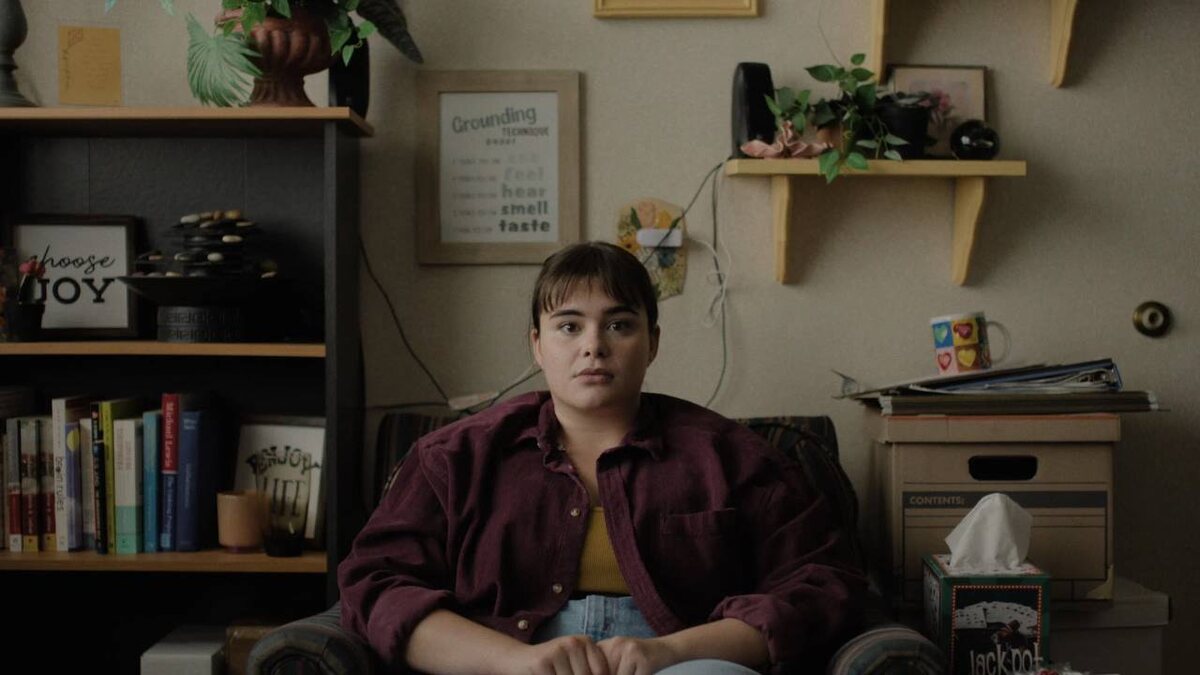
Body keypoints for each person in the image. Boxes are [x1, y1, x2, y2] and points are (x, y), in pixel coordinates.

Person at [339, 241, 866, 674]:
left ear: (652, 342)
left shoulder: (735, 457)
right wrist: (513, 662)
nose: (594, 345)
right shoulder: (454, 458)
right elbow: (377, 585)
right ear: (537, 344)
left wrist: (671, 651)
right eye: (569, 326)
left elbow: (823, 581)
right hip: (505, 661)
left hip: (681, 664)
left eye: (619, 325)